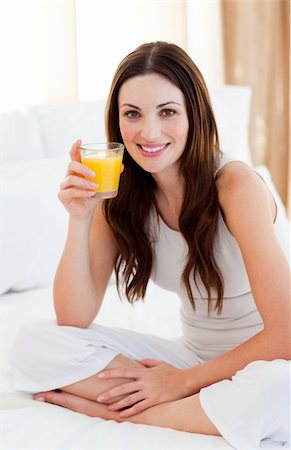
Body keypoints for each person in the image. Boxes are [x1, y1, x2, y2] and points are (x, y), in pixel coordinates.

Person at [10, 42, 290, 449]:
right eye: (132, 114)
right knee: (33, 345)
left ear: (195, 114)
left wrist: (178, 383)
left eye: (168, 112)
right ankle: (197, 409)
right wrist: (80, 218)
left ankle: (120, 412)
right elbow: (72, 317)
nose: (149, 132)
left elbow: (284, 336)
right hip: (193, 358)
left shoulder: (234, 186)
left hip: (264, 361)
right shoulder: (121, 192)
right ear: (117, 121)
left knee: (277, 389)